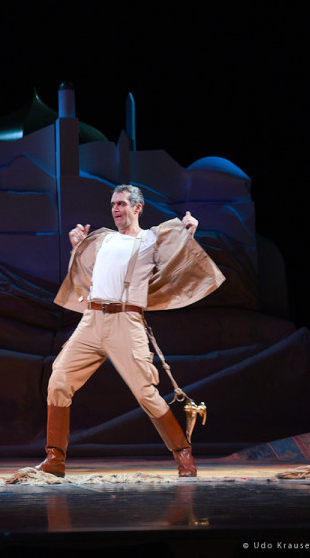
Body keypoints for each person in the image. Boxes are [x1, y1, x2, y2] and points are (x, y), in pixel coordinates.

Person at [36, 184, 224, 477]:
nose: (116, 209)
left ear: (137, 208)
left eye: (122, 204)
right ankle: (54, 459)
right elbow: (85, 277)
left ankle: (183, 452)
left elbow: (177, 259)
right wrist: (77, 247)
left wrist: (188, 232)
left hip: (125, 321)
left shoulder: (150, 238)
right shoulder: (103, 239)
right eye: (113, 204)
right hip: (92, 320)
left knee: (146, 393)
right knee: (58, 381)